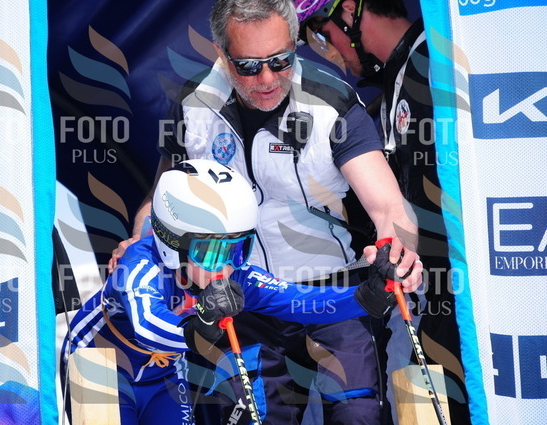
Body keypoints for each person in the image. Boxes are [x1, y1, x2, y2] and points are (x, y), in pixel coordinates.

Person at [109, 1, 422, 424]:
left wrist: (398, 249)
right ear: (221, 53)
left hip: (331, 289)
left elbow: (387, 205)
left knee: (358, 415)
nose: (268, 78)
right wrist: (140, 241)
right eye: (248, 66)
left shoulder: (329, 101)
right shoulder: (194, 104)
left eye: (281, 60)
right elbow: (163, 198)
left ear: (293, 44)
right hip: (240, 295)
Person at [63, 159, 420, 425]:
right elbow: (147, 325)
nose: (226, 266)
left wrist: (365, 297)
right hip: (103, 367)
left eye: (238, 248)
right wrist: (199, 327)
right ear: (173, 243)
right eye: (212, 251)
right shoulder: (140, 264)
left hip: (162, 376)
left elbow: (299, 301)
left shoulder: (236, 273)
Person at [294, 1, 471, 423]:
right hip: (421, 295)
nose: (329, 51)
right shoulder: (397, 74)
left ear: (349, 11)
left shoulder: (437, 57)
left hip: (459, 298)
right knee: (414, 411)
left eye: (323, 35)